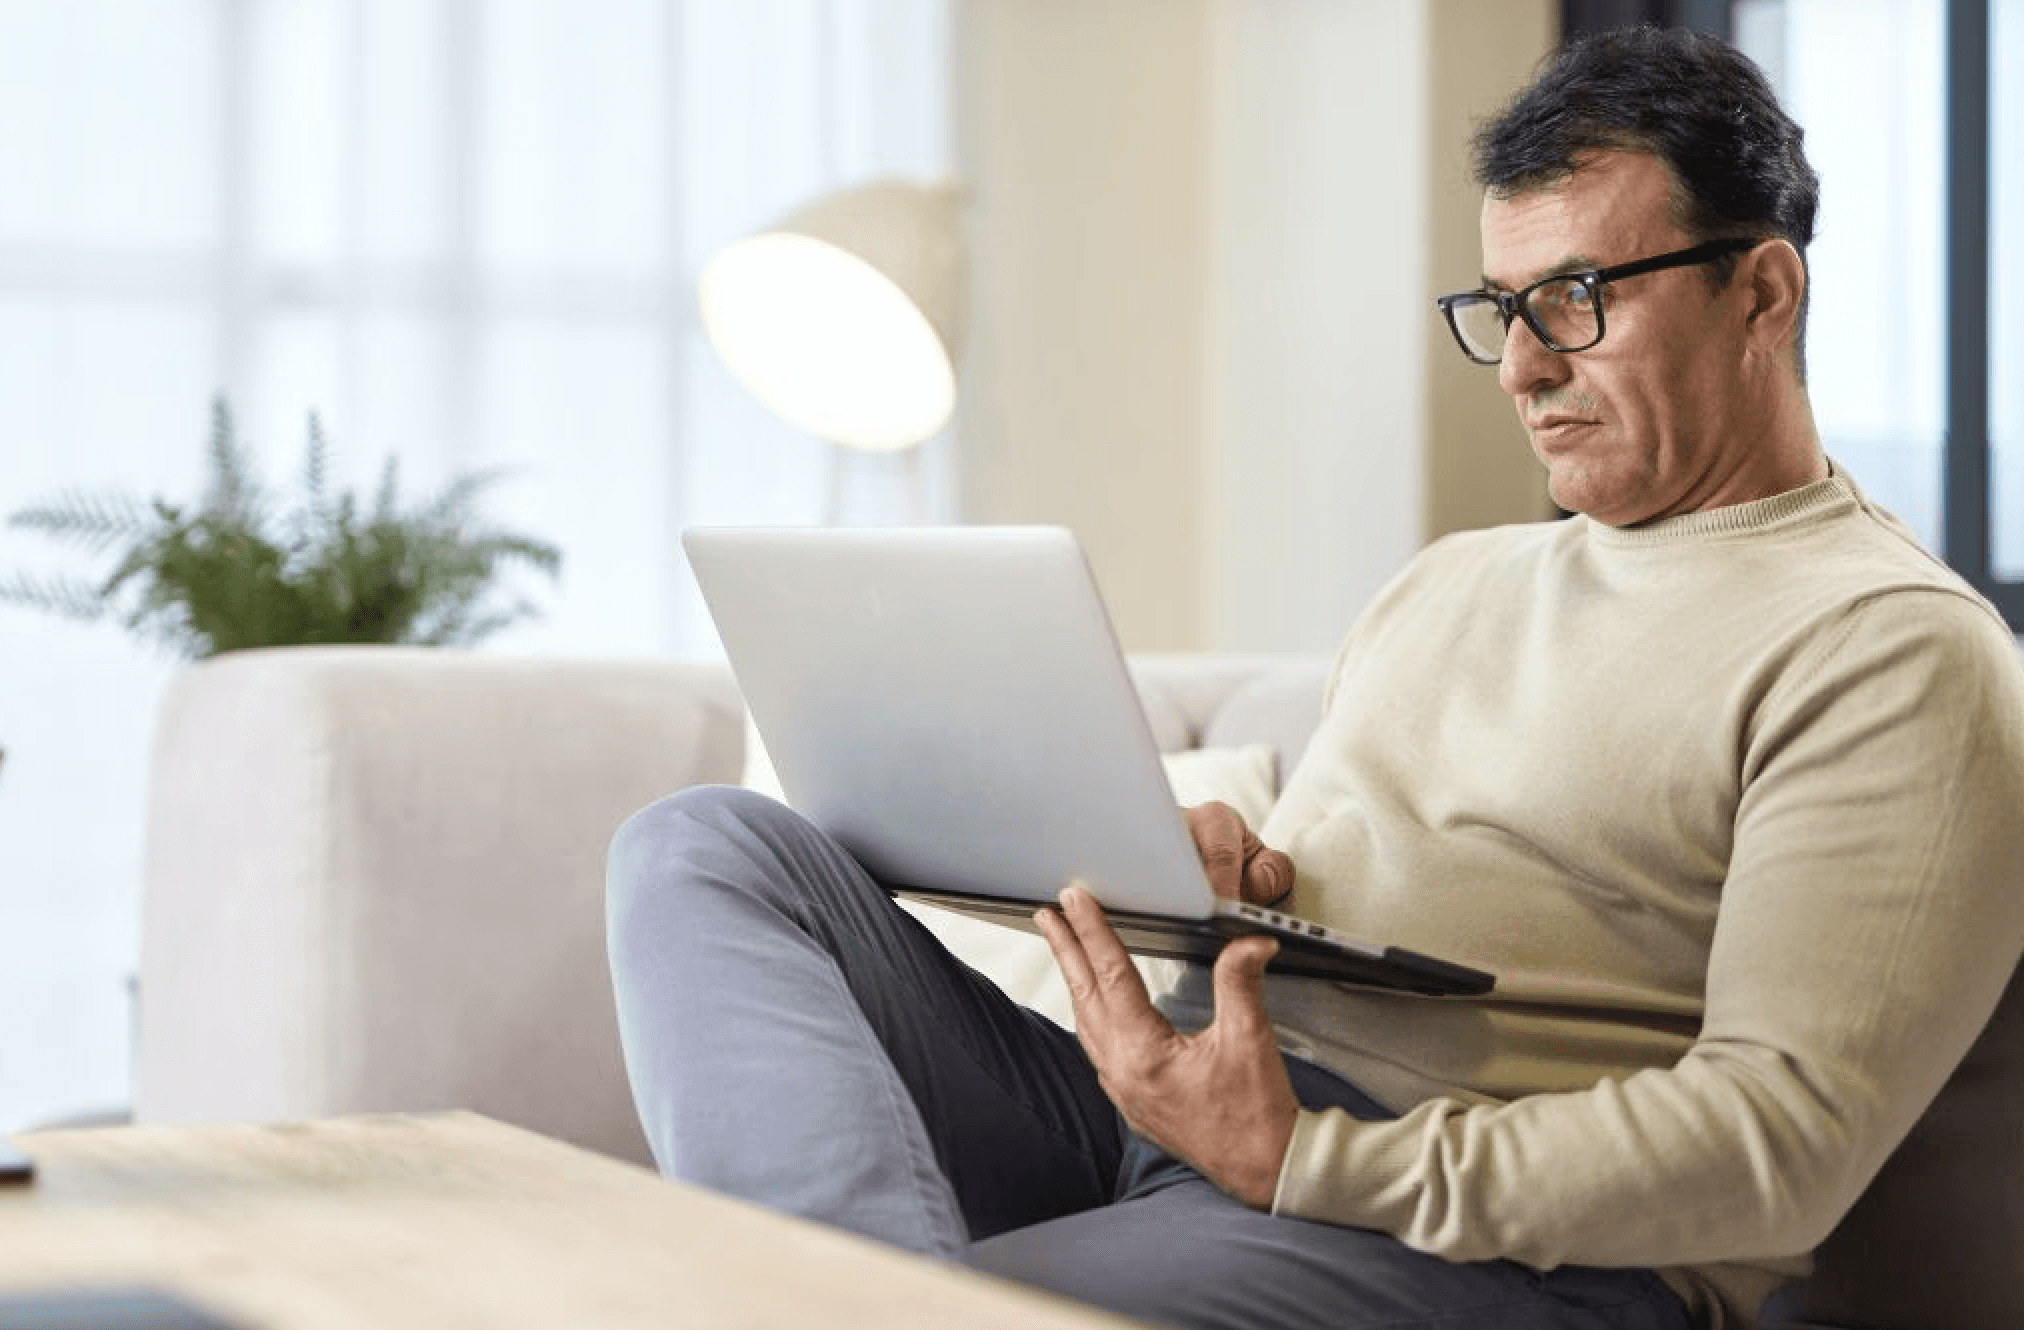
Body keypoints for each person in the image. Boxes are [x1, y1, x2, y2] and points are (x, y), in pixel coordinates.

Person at [605, 26, 2024, 1330]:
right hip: (1173, 1113)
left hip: (1473, 1246)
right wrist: (1208, 894)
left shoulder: (1894, 650)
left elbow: (1776, 1148)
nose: (1523, 366)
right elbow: (1369, 881)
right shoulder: (1451, 580)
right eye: (1500, 305)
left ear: (1762, 291)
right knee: (704, 848)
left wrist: (1310, 1158)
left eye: (1578, 299)